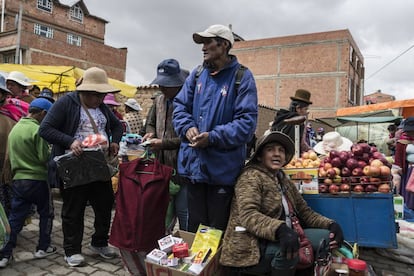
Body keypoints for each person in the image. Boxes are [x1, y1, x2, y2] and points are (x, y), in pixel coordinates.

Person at [219, 131, 344, 275]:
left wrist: (331, 224)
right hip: (252, 245)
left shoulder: (281, 177)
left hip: (283, 234)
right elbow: (249, 215)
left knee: (327, 238)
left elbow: (305, 211)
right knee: (289, 251)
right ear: (259, 156)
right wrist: (280, 229)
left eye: (281, 150)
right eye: (270, 149)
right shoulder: (250, 177)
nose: (277, 154)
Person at [173, 24, 258, 233]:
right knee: (194, 228)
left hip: (222, 171)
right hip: (194, 168)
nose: (203, 47)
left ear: (224, 45)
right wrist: (187, 128)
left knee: (216, 231)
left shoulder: (242, 77)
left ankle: (216, 266)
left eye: (208, 42)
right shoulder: (197, 74)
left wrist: (212, 137)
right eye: (202, 43)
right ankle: (196, 267)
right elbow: (180, 106)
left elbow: (246, 123)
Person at [39, 67, 123, 267]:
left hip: (98, 163)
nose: (97, 99)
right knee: (73, 208)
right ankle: (72, 250)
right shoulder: (66, 103)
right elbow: (45, 129)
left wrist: (114, 142)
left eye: (101, 95)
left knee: (104, 204)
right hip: (74, 164)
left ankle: (99, 243)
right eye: (94, 95)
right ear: (83, 91)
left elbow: (118, 126)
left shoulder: (102, 107)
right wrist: (69, 141)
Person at [0, 98, 55, 268]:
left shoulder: (15, 128)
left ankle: (4, 254)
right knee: (46, 214)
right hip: (37, 180)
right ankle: (42, 248)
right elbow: (44, 157)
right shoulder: (38, 130)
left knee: (16, 217)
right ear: (43, 114)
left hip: (19, 181)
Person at [144, 58, 189, 232]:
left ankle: (187, 247)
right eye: (160, 84)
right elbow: (150, 123)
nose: (161, 88)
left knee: (184, 212)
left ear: (178, 83)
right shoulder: (159, 100)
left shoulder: (189, 103)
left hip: (183, 169)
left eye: (166, 84)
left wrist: (163, 143)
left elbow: (189, 139)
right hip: (160, 169)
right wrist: (150, 133)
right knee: (162, 213)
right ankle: (162, 249)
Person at [271, 89, 313, 154]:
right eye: (306, 109)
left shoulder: (280, 117)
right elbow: (301, 144)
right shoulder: (299, 122)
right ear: (298, 108)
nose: (307, 112)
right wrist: (312, 151)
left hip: (276, 152)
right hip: (290, 157)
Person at [393, 117, 414, 210]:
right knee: (409, 195)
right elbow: (398, 160)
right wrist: (396, 172)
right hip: (408, 171)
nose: (409, 133)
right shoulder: (402, 142)